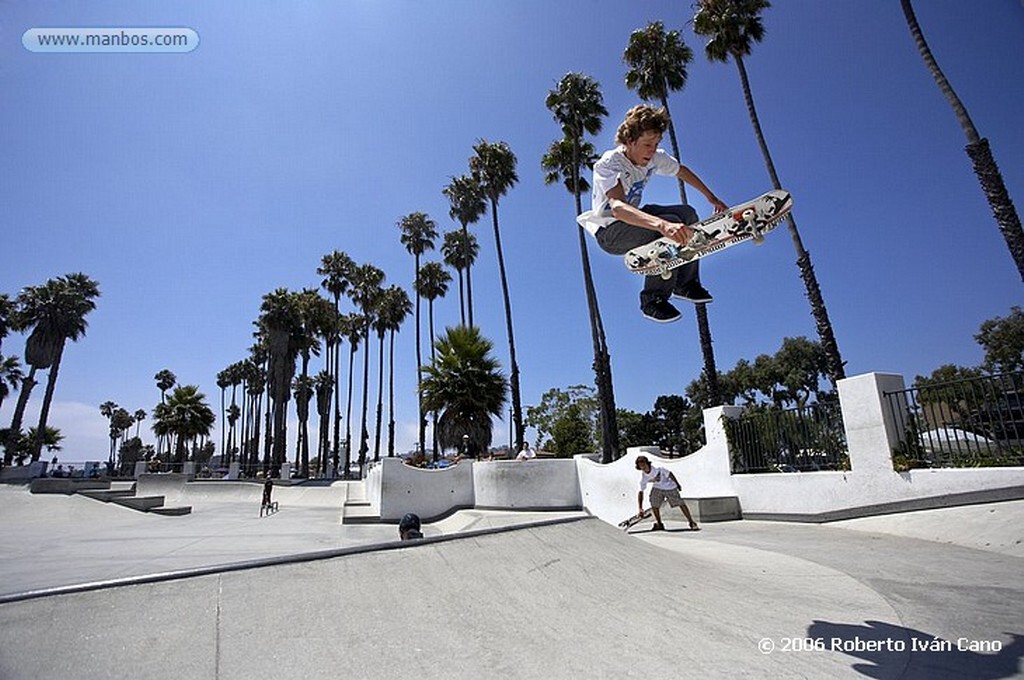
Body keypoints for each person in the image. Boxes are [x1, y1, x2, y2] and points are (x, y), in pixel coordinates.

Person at [579, 105, 728, 323]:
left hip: (635, 221)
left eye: (656, 144)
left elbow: (681, 171)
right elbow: (618, 208)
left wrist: (711, 197)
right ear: (629, 141)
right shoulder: (609, 164)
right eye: (647, 145)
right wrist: (661, 225)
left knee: (687, 214)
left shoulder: (655, 157)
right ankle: (652, 300)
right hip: (611, 232)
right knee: (670, 224)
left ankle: (685, 284)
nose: (651, 151)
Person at [635, 455, 699, 531]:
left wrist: (677, 484)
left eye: (644, 465)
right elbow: (641, 492)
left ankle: (691, 522)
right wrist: (640, 508)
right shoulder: (644, 477)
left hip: (670, 487)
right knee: (653, 503)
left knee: (680, 503)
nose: (643, 468)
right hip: (657, 488)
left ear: (647, 464)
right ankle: (659, 524)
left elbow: (670, 474)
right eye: (641, 466)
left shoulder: (660, 470)